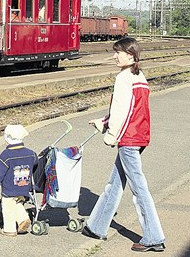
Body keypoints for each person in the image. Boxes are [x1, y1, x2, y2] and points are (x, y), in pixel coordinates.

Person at [82, 37, 166, 253]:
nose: (114, 55)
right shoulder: (140, 77)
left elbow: (122, 112)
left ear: (130, 55)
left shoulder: (123, 78)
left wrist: (111, 134)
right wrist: (103, 122)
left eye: (117, 52)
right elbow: (132, 110)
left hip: (128, 138)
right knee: (115, 183)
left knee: (139, 189)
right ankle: (96, 226)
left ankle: (153, 237)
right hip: (138, 136)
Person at [0, 124, 37, 237]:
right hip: (25, 187)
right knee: (18, 203)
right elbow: (35, 164)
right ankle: (23, 219)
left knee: (8, 207)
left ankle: (9, 229)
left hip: (9, 189)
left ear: (7, 138)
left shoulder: (6, 155)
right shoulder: (31, 153)